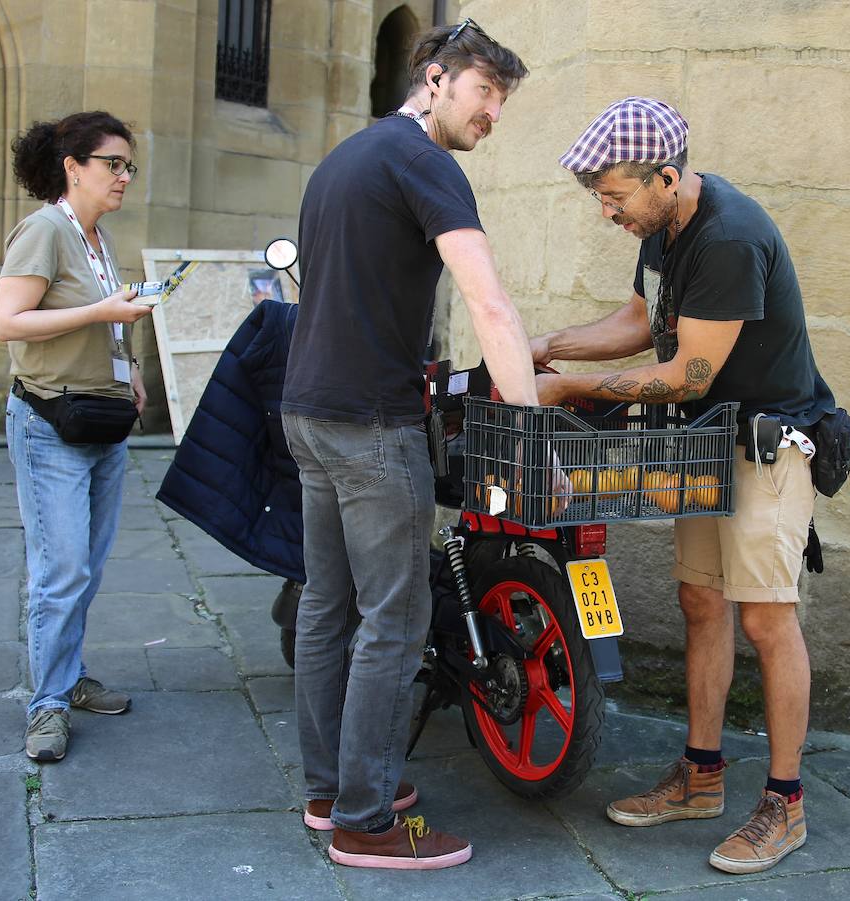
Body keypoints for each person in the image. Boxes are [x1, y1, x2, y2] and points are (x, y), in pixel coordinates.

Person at [533, 97, 837, 875]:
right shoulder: (663, 225)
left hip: (766, 444)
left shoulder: (729, 235)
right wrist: (544, 345)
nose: (609, 214)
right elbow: (642, 321)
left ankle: (785, 802)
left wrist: (570, 391)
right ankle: (701, 777)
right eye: (600, 198)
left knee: (768, 621)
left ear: (665, 175)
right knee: (701, 603)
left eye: (615, 197)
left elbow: (686, 371)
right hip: (702, 442)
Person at [281, 19, 539, 870]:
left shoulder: (343, 159)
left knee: (328, 605)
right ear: (434, 80)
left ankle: (333, 791)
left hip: (309, 411)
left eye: (502, 100)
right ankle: (364, 820)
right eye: (482, 93)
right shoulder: (427, 164)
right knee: (394, 617)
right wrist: (531, 434)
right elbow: (490, 303)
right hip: (370, 424)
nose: (492, 113)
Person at [0, 111, 151, 762]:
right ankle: (47, 706)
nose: (123, 177)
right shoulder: (45, 231)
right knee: (59, 571)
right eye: (112, 164)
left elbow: (102, 327)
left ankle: (69, 674)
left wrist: (132, 366)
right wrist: (103, 310)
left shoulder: (97, 239)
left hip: (101, 418)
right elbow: (8, 322)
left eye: (128, 166)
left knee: (85, 566)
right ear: (73, 167)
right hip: (50, 423)